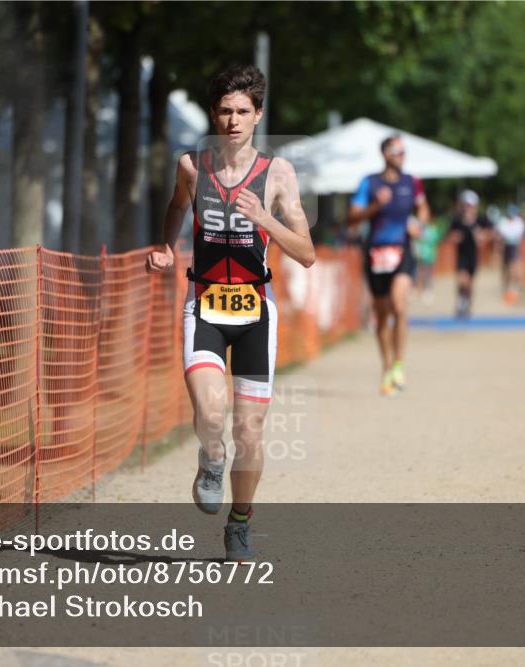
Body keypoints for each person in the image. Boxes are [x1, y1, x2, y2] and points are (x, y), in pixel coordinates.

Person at [146, 65, 314, 561]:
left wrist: (265, 219)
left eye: (243, 111)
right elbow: (178, 206)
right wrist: (165, 247)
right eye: (225, 111)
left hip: (256, 310)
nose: (234, 120)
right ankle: (211, 457)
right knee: (210, 414)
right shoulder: (192, 166)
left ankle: (239, 523)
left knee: (250, 430)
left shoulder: (278, 175)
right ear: (213, 115)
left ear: (258, 115)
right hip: (205, 304)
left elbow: (305, 252)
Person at [346, 133, 430, 395]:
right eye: (397, 151)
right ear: (385, 154)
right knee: (382, 316)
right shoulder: (369, 183)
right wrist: (375, 205)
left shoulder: (412, 182)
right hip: (375, 253)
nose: (401, 156)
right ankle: (386, 367)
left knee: (399, 305)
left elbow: (424, 209)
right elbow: (353, 218)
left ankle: (399, 364)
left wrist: (419, 223)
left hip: (402, 250)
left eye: (404, 152)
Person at [448, 189, 491, 319]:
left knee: (470, 284)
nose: (468, 208)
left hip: (473, 256)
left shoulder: (481, 220)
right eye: (466, 205)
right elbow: (450, 236)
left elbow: (489, 234)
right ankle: (460, 301)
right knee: (462, 281)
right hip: (461, 256)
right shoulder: (457, 220)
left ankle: (468, 303)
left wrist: (481, 236)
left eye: (470, 205)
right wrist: (455, 237)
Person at [496, 203, 525, 303]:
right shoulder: (503, 222)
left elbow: (519, 237)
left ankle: (512, 288)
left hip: (514, 247)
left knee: (513, 268)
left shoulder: (519, 222)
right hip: (506, 247)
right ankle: (506, 287)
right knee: (505, 269)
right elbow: (500, 236)